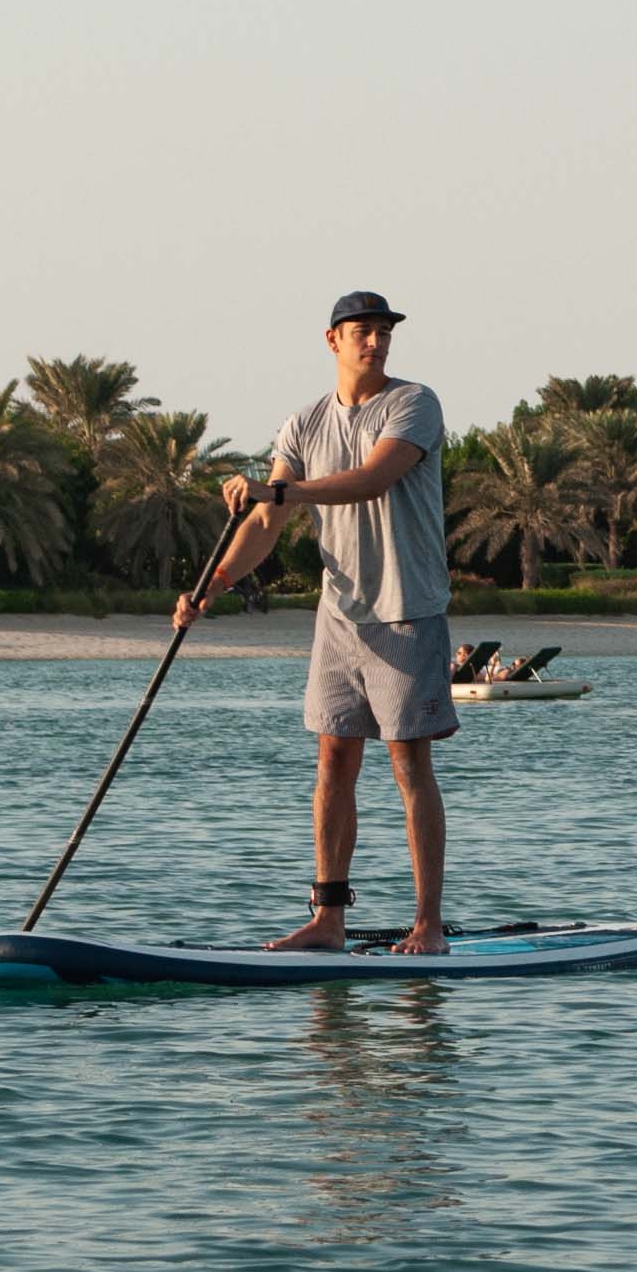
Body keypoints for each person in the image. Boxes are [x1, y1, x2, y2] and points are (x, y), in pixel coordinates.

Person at [178, 291, 456, 955]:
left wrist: (278, 490)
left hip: (407, 607)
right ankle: (327, 919)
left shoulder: (414, 404)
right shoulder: (302, 424)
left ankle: (429, 924)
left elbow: (370, 479)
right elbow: (266, 523)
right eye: (362, 331)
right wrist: (212, 585)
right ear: (332, 339)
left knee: (408, 764)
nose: (376, 342)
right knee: (333, 759)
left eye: (383, 332)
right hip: (340, 617)